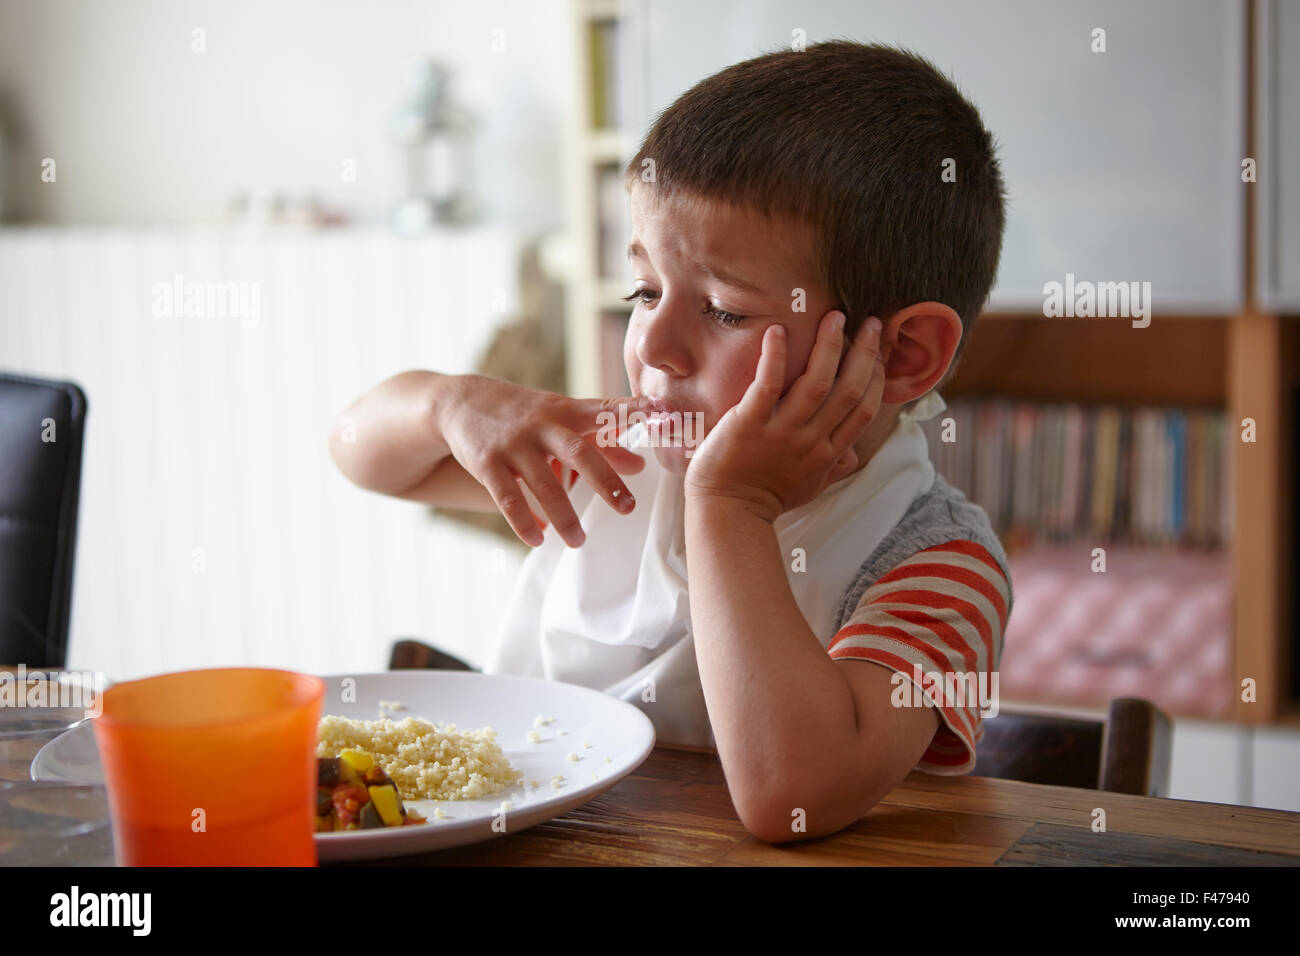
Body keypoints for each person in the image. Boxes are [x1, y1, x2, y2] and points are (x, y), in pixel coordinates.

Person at [330, 40, 1012, 844]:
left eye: (724, 310)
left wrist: (732, 507)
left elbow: (791, 795)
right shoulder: (616, 450)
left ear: (901, 357)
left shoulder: (937, 563)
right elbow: (367, 458)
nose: (652, 345)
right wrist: (449, 403)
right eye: (645, 290)